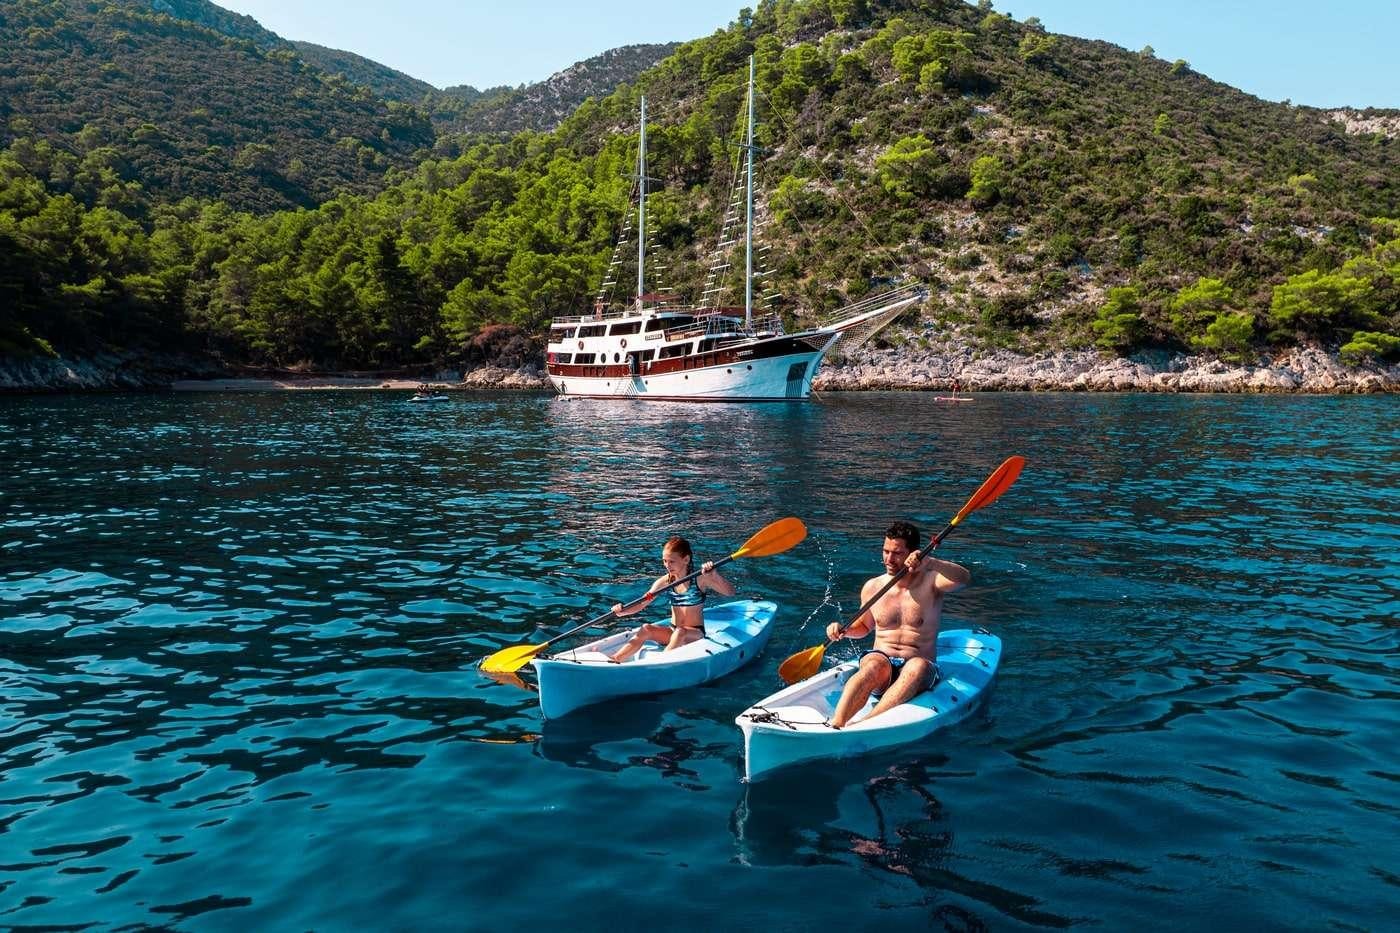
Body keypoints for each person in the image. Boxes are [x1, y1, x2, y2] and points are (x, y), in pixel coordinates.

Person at [822, 520, 970, 728]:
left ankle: (867, 724)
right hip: (882, 663)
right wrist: (843, 631)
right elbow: (864, 627)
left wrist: (931, 562)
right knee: (872, 665)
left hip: (919, 668)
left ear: (912, 553)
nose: (889, 559)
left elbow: (964, 578)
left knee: (916, 666)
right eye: (885, 551)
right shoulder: (873, 587)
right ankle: (837, 724)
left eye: (897, 553)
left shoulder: (932, 582)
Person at [607, 536, 736, 662]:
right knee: (646, 628)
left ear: (686, 559)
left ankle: (659, 664)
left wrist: (715, 575)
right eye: (664, 561)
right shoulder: (664, 582)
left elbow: (730, 592)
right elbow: (642, 603)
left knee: (680, 632)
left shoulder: (701, 579)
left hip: (695, 634)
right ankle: (616, 659)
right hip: (673, 631)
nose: (667, 565)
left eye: (671, 561)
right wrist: (622, 611)